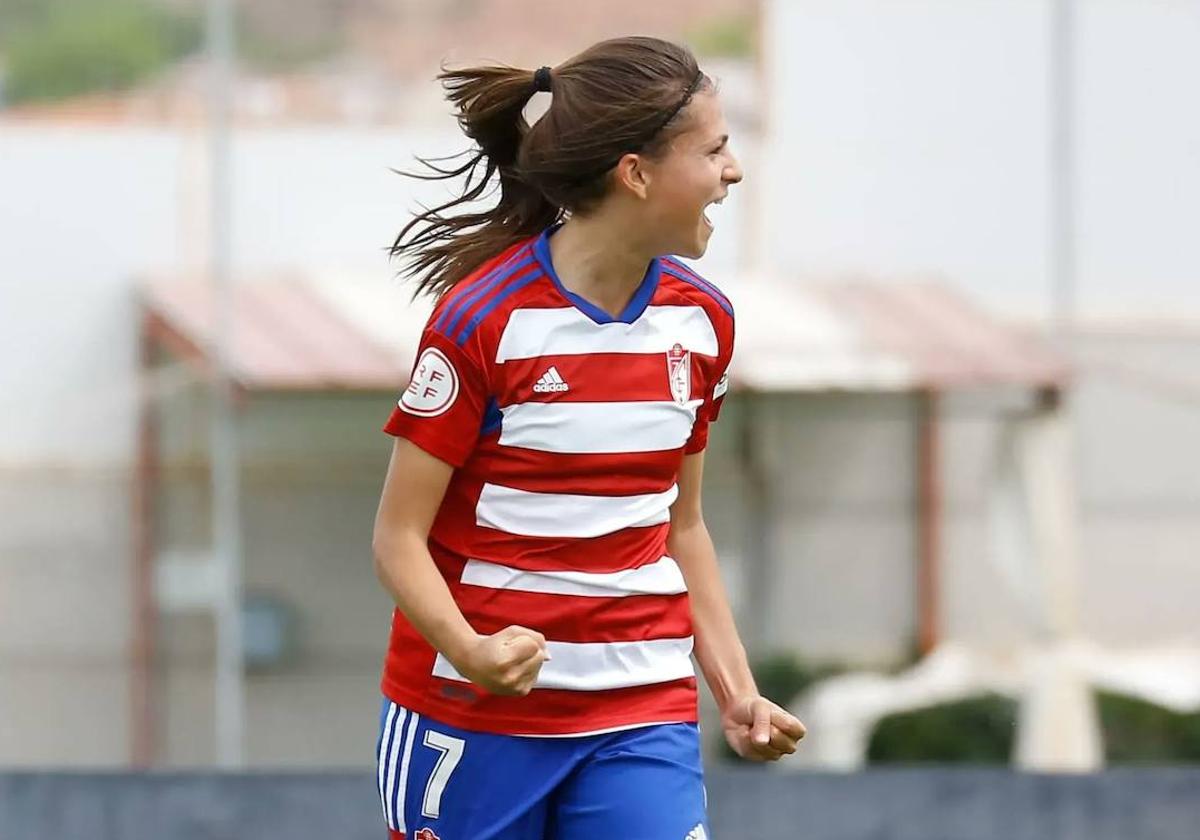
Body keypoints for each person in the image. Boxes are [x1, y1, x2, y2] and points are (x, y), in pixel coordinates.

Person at [371, 35, 805, 840]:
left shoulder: (702, 323)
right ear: (635, 174)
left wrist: (736, 691)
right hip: (473, 718)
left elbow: (681, 525)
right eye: (714, 150)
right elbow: (398, 536)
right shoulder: (483, 320)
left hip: (641, 713)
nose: (734, 171)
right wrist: (468, 650)